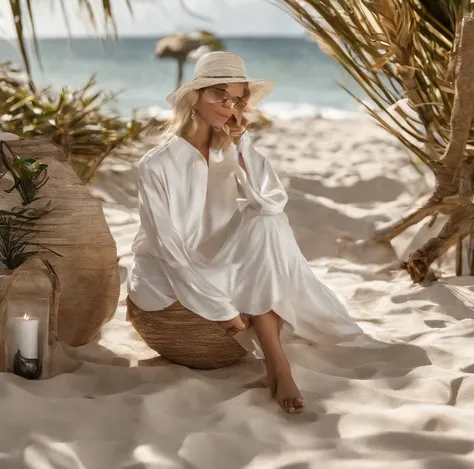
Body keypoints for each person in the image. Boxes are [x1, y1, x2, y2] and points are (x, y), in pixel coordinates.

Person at [128, 51, 362, 414]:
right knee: (258, 260)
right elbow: (168, 246)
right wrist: (223, 311)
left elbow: (271, 202)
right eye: (219, 94)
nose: (228, 105)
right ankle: (278, 362)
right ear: (196, 96)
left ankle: (275, 361)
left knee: (267, 223)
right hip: (167, 267)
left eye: (237, 98)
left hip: (222, 252)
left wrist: (241, 145)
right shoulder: (155, 164)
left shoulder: (229, 150)